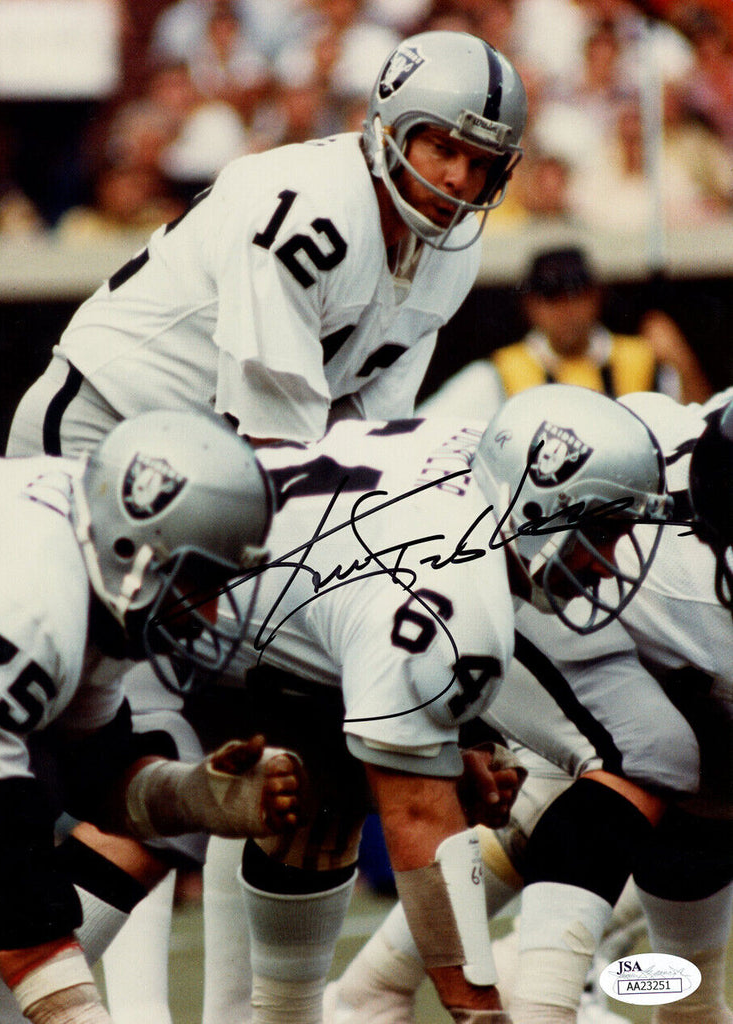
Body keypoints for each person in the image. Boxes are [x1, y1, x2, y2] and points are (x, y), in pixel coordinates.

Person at [192, 384, 670, 1024]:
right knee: (125, 835)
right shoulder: (456, 600)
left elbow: (371, 626)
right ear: (541, 501)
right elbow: (418, 821)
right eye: (602, 532)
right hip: (165, 617)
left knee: (326, 792)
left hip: (249, 607)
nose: (609, 565)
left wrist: (458, 751)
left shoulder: (479, 460)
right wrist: (481, 1011)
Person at [323, 389, 733, 1024]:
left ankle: (376, 985)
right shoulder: (689, 586)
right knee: (652, 758)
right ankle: (550, 1000)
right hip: (532, 571)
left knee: (664, 775)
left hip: (594, 541)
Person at [0, 407, 306, 1024]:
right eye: (200, 582)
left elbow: (93, 766)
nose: (210, 615)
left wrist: (194, 797)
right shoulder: (31, 605)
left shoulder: (82, 550)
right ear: (134, 548)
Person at [5, 29, 527, 454]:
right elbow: (276, 441)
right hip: (107, 419)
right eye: (442, 148)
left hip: (209, 457)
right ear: (388, 132)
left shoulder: (455, 249)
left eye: (482, 163)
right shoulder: (312, 208)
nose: (460, 180)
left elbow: (370, 437)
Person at [421, 245, 712, 422]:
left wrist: (682, 361)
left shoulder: (642, 358)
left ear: (596, 297)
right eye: (552, 298)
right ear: (531, 306)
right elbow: (425, 428)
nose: (566, 311)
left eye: (575, 295)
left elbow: (702, 431)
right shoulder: (498, 373)